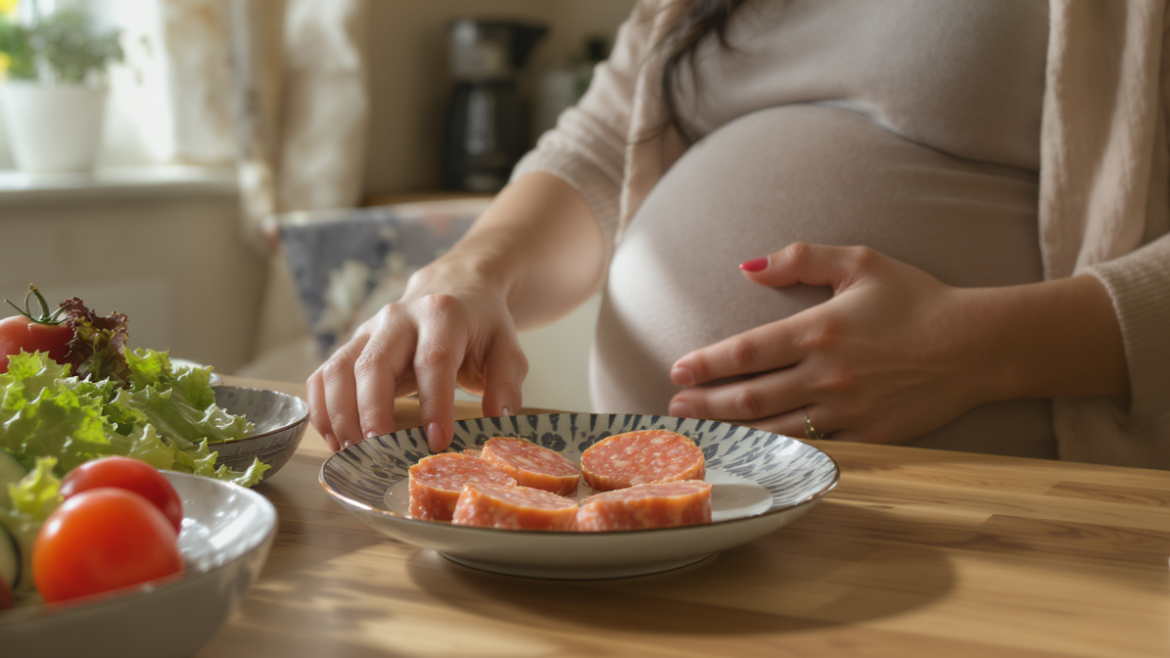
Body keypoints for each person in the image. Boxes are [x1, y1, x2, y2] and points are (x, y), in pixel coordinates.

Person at [308, 0, 1170, 469]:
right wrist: (469, 276)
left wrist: (980, 349)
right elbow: (602, 147)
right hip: (662, 526)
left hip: (984, 527)